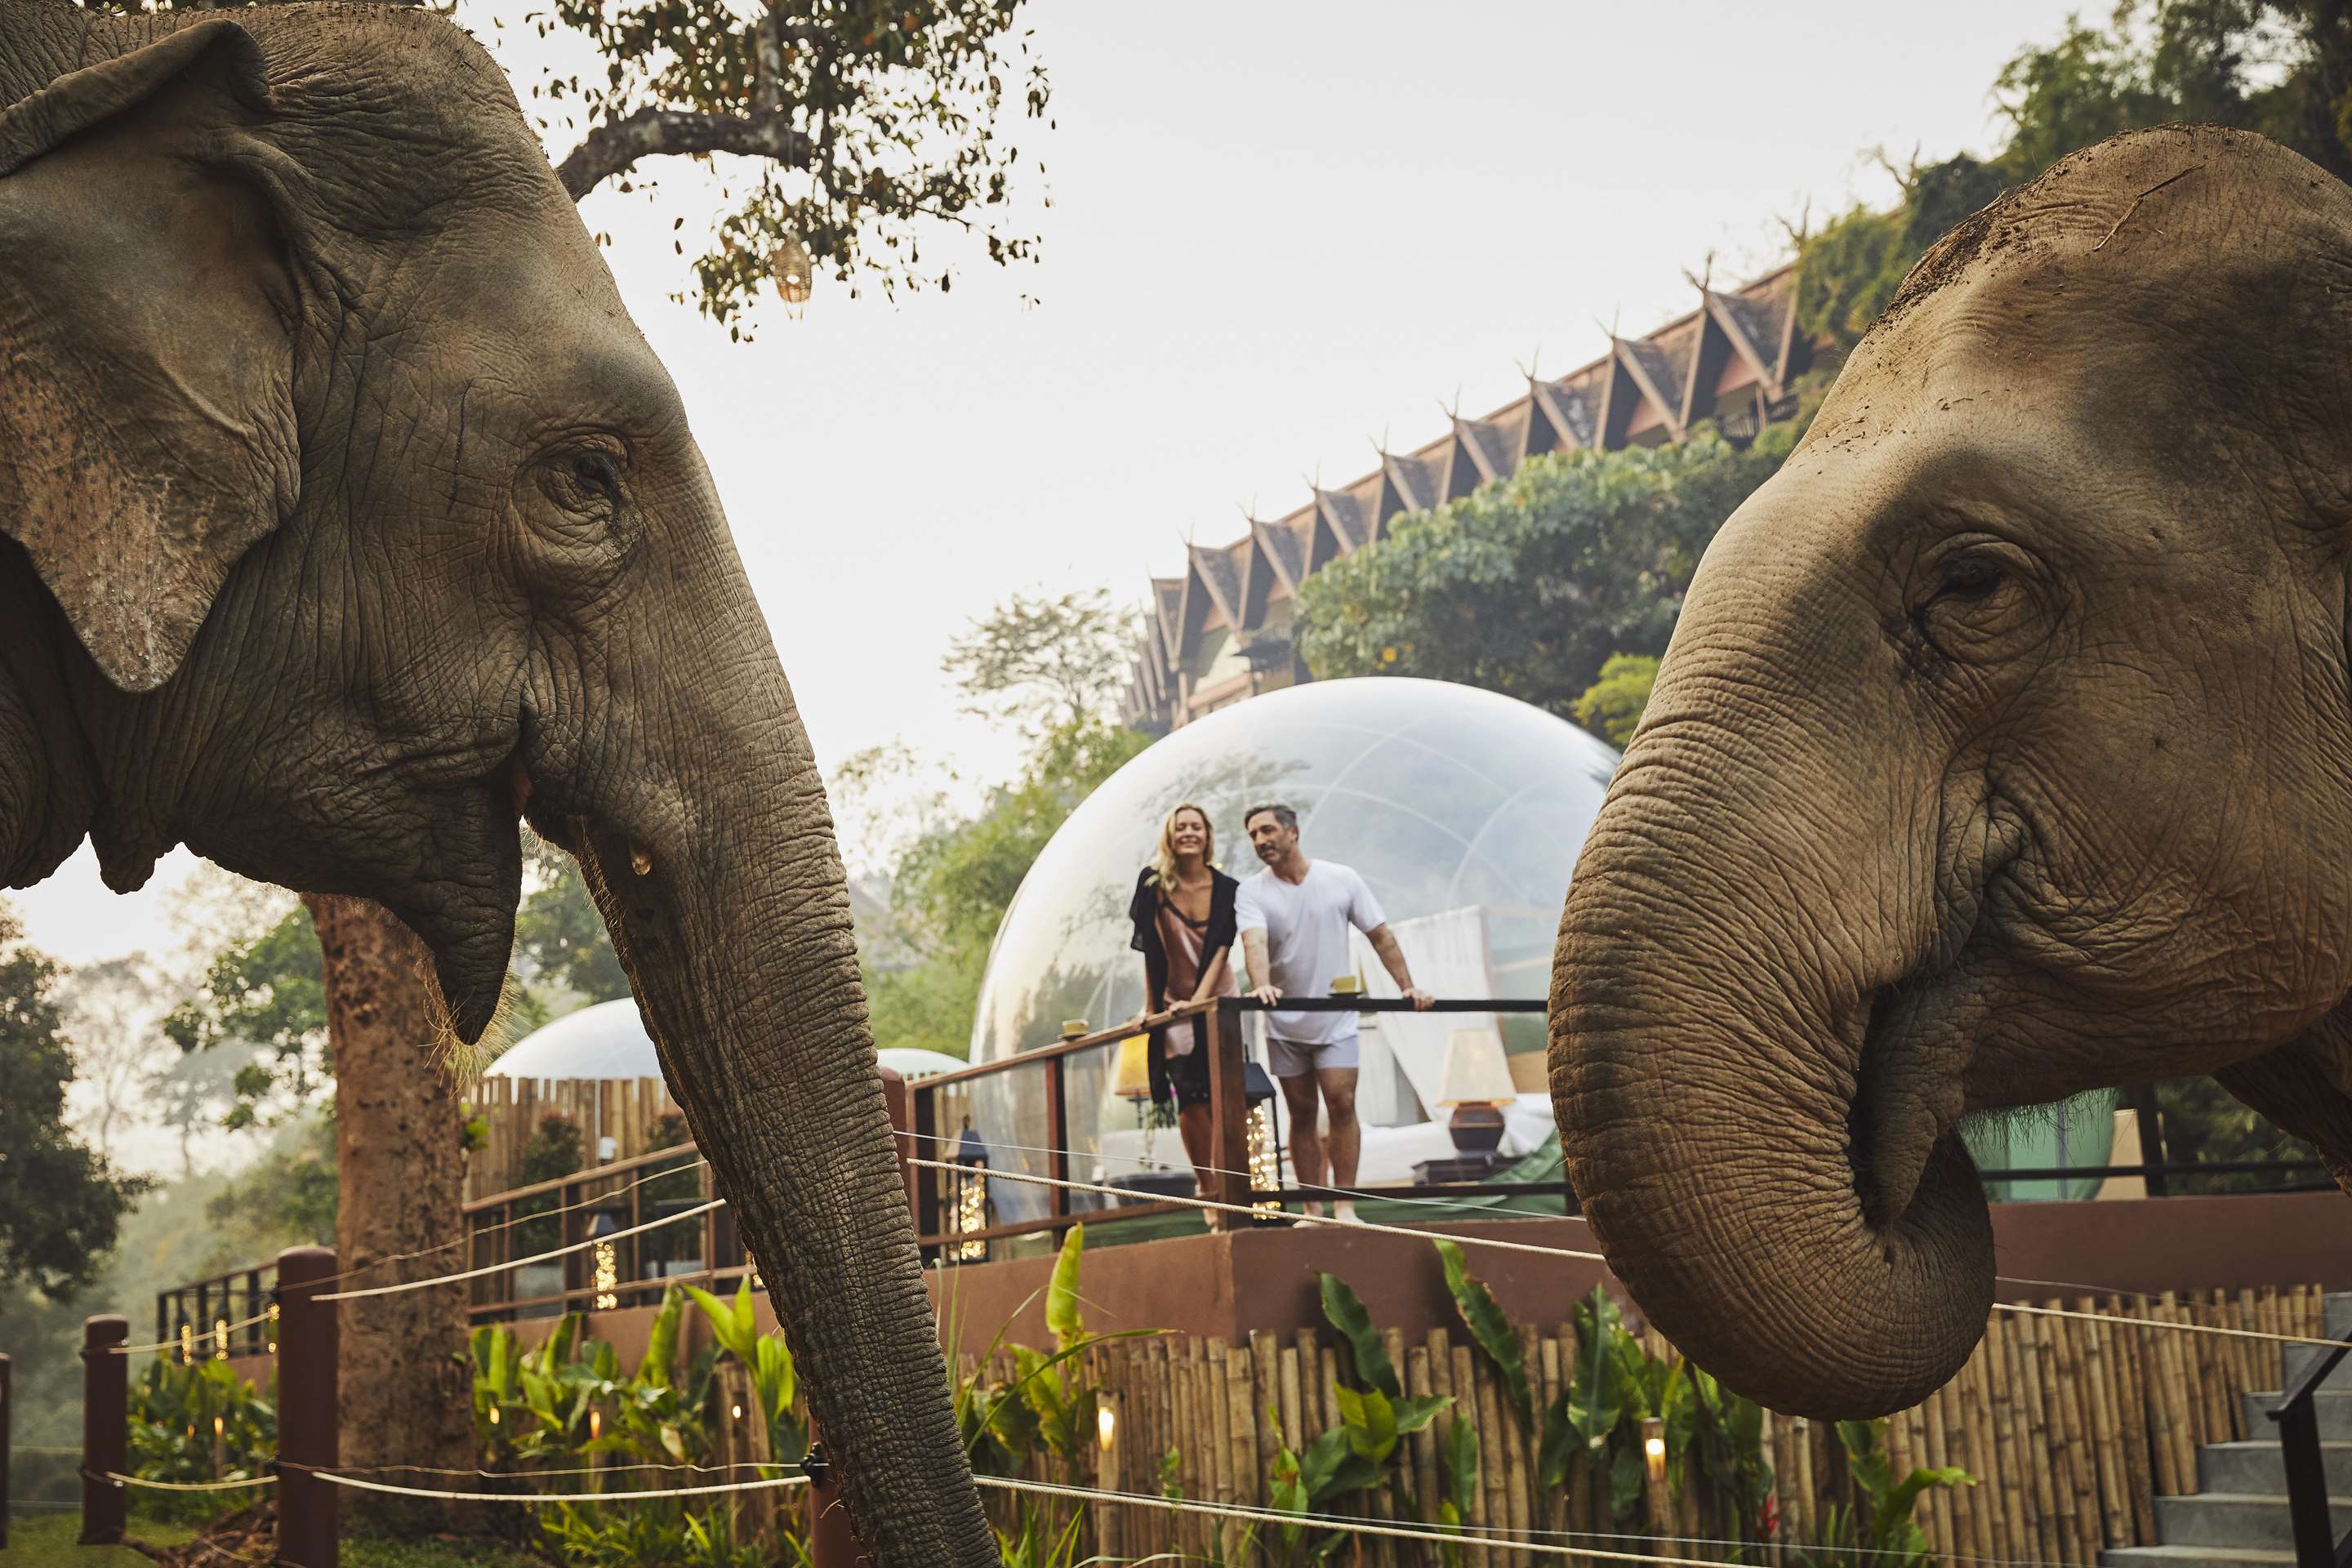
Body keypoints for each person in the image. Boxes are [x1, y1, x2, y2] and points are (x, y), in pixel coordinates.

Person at [1234, 802, 1432, 1222]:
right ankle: (1312, 1209)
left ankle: (1345, 1205)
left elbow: (1380, 935)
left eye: (1267, 830)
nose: (1260, 841)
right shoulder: (1251, 891)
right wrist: (1261, 983)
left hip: (1335, 1017)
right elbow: (1254, 942)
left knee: (1341, 1102)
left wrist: (1407, 987)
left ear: (1293, 832)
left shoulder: (1341, 879)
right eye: (1253, 835)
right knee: (1302, 1112)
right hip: (1283, 1020)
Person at [1126, 801, 1239, 1193]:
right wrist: (1152, 1007)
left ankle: (1231, 1185)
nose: (1189, 832)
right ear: (1170, 837)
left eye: (1197, 826)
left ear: (1207, 835)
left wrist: (1198, 1004)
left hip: (1217, 999)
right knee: (1190, 1099)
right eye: (1181, 827)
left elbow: (1223, 948)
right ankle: (1206, 1187)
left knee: (1223, 1096)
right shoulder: (1153, 885)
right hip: (1172, 1002)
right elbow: (1150, 952)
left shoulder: (1228, 889)